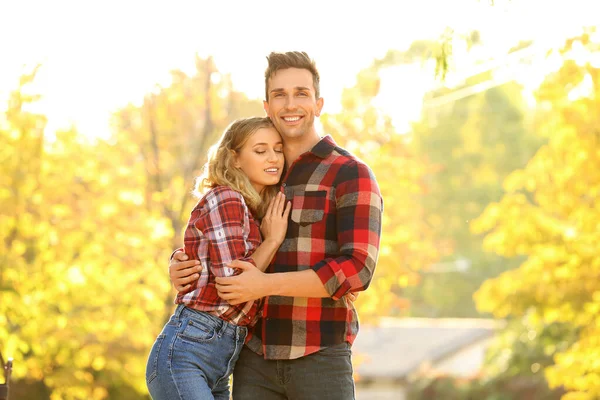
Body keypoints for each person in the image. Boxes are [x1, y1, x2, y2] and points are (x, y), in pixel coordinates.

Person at [169, 51, 384, 400]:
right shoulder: (258, 169)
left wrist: (264, 285)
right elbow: (217, 232)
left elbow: (357, 269)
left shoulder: (349, 173)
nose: (290, 104)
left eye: (301, 93)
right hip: (252, 357)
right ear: (267, 106)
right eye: (279, 95)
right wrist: (182, 262)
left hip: (319, 357)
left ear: (318, 103)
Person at [146, 116, 292, 400]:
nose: (273, 158)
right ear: (235, 159)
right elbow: (234, 286)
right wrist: (273, 240)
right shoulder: (227, 197)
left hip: (220, 360)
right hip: (186, 354)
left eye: (278, 149)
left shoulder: (251, 208)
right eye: (260, 151)